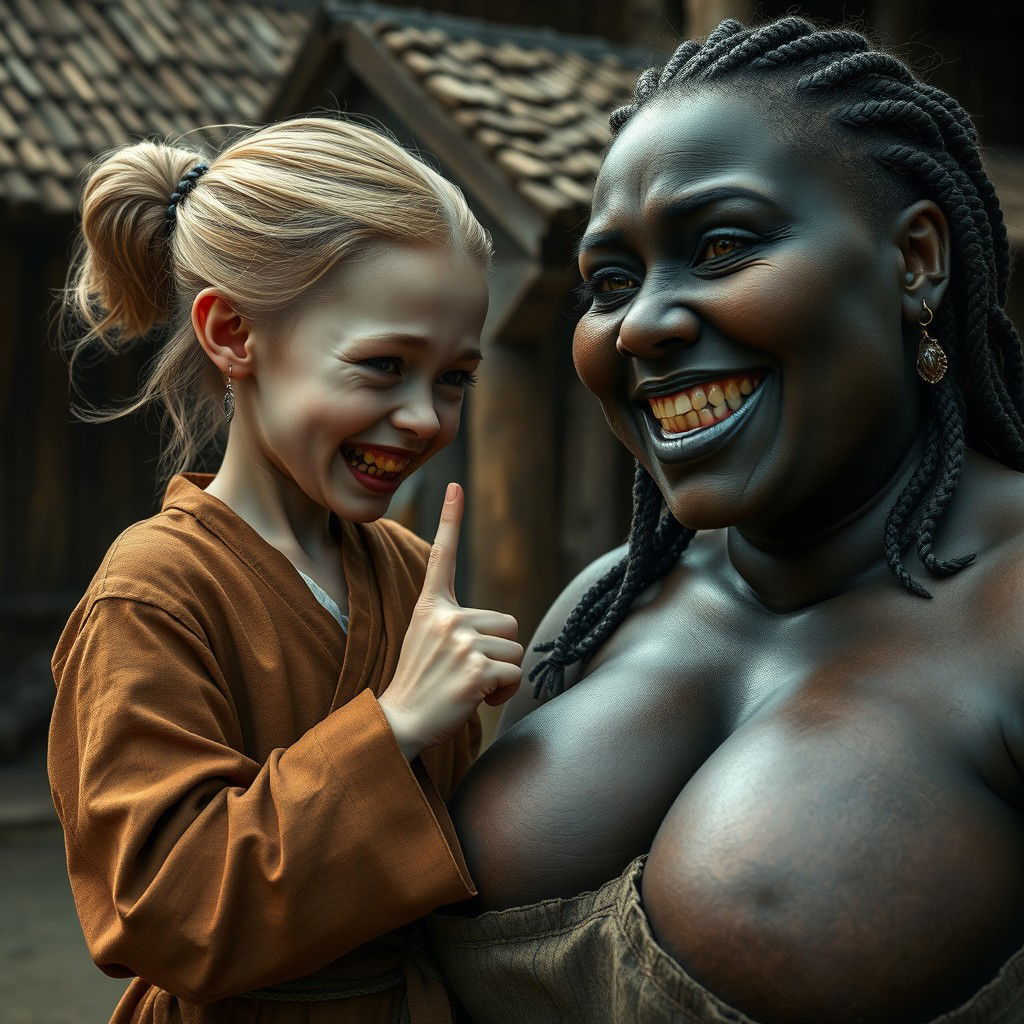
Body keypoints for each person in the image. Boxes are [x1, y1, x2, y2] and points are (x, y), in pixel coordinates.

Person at [429, 17, 1024, 1024]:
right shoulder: (603, 605)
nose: (645, 323)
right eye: (609, 282)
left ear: (915, 258)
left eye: (722, 245)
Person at [48, 116, 524, 1024]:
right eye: (383, 366)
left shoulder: (411, 572)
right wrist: (393, 728)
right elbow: (161, 909)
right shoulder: (153, 592)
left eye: (454, 378)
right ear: (233, 333)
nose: (425, 418)